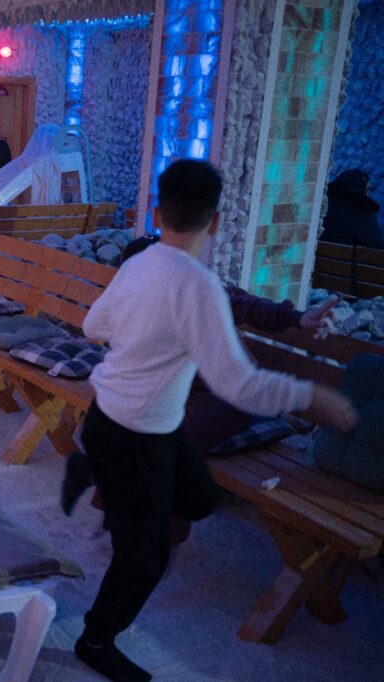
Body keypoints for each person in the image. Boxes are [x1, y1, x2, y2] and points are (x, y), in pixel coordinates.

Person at [70, 159, 358, 682]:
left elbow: (94, 325)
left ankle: (122, 503)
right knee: (146, 558)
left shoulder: (140, 264)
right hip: (136, 434)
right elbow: (238, 385)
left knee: (191, 503)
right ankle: (95, 641)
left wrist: (141, 334)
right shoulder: (196, 285)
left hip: (110, 418)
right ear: (217, 221)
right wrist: (312, 397)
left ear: (158, 213)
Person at [320, 169, 384, 249]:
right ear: (360, 189)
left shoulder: (321, 204)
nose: (368, 193)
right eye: (367, 189)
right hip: (347, 256)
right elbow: (378, 248)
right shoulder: (365, 217)